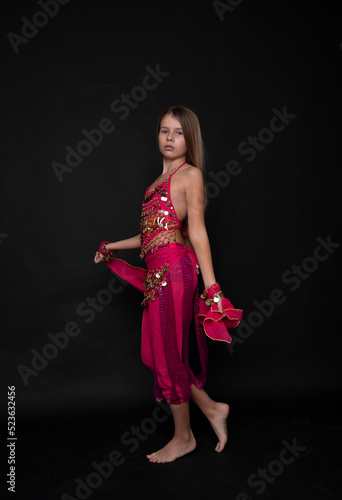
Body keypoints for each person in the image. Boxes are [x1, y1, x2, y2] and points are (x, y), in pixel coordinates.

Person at [94, 105, 242, 463]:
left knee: (168, 357)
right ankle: (210, 408)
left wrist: (213, 289)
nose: (170, 138)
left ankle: (184, 437)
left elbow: (197, 232)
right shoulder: (154, 185)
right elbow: (151, 234)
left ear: (189, 140)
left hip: (176, 272)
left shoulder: (189, 175)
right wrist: (112, 246)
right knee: (156, 354)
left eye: (178, 132)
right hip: (159, 276)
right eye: (164, 131)